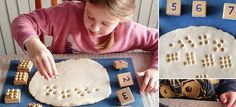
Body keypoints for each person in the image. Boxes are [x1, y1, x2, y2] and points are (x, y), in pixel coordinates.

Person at [11, 0, 158, 92]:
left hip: (105, 84)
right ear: (85, 3)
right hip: (60, 79)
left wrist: (155, 69)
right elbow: (22, 21)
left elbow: (161, 41)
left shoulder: (129, 31)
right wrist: (33, 43)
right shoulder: (66, 14)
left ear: (121, 20)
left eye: (105, 23)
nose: (94, 27)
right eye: (90, 16)